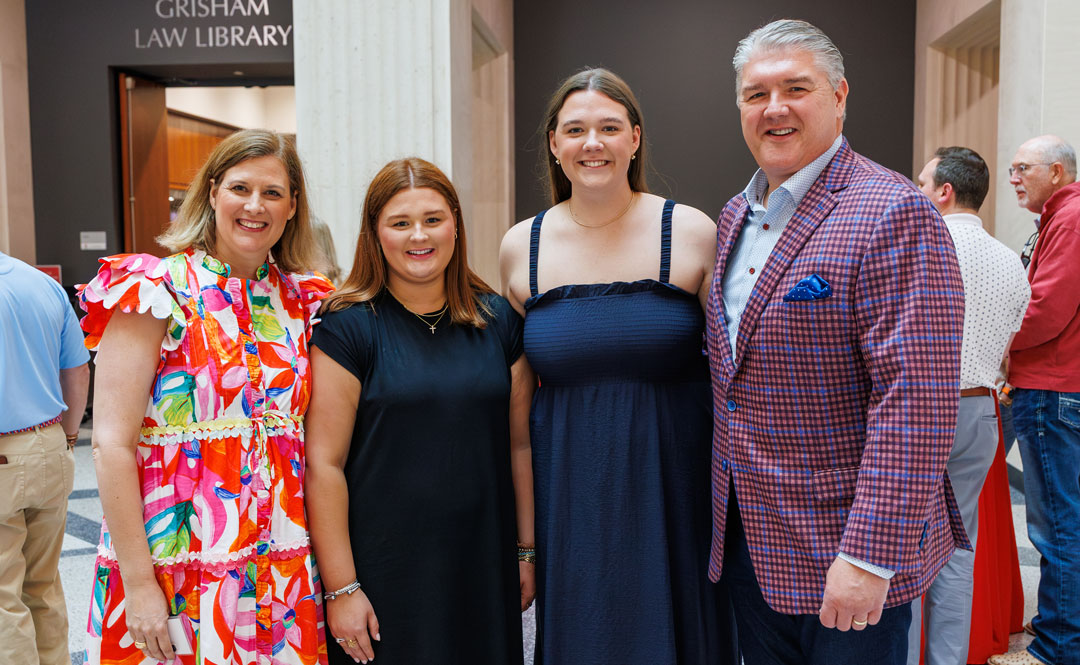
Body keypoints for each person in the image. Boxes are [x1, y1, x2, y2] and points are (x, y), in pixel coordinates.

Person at [706, 20, 968, 665]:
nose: (774, 109)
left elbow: (916, 400)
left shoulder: (893, 210)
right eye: (754, 94)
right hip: (749, 538)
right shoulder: (737, 215)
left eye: (796, 87)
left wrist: (869, 555)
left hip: (844, 548)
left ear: (840, 95)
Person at [500, 68, 734, 664]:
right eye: (575, 129)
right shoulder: (519, 245)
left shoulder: (691, 232)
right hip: (570, 494)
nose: (592, 143)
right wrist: (526, 544)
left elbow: (736, 378)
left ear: (635, 137)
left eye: (608, 127)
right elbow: (517, 419)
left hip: (674, 488)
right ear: (554, 143)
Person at [78, 129, 333, 665]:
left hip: (279, 562)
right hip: (175, 555)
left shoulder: (305, 301)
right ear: (213, 193)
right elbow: (110, 445)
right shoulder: (154, 290)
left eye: (273, 192)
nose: (254, 205)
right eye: (240, 188)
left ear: (292, 207)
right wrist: (140, 584)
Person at [305, 157, 533, 665]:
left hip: (481, 560)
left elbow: (519, 444)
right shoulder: (346, 329)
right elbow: (324, 465)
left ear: (455, 222)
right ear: (375, 234)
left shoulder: (497, 322)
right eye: (400, 223)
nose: (418, 236)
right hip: (383, 570)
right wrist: (342, 589)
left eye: (432, 219)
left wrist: (526, 551)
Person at [909, 147, 1030, 665]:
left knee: (901, 546)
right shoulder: (1010, 261)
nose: (916, 193)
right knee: (959, 548)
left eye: (921, 184)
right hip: (981, 411)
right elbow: (1009, 343)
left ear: (944, 192)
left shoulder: (919, 246)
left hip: (919, 410)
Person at [989, 135, 1080, 665]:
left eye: (1023, 167)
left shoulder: (1068, 218)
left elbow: (1046, 308)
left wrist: (997, 344)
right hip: (1059, 386)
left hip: (1051, 389)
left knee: (1057, 526)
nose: (1014, 177)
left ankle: (1057, 648)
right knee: (1066, 520)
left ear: (1058, 173)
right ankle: (1058, 625)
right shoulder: (1062, 216)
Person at [0, 253, 90, 665]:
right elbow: (77, 368)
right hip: (49, 446)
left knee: (3, 597)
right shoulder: (41, 284)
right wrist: (68, 436)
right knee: (43, 583)